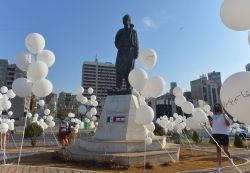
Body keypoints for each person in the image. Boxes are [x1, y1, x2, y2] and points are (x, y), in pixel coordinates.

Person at [115, 14, 139, 90]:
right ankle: (118, 87)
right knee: (119, 70)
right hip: (121, 52)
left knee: (129, 71)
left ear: (129, 21)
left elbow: (136, 43)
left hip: (130, 52)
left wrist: (136, 52)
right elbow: (116, 41)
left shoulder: (133, 32)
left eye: (126, 20)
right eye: (123, 20)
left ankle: (129, 87)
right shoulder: (120, 31)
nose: (124, 21)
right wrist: (120, 47)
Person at [209, 103, 233, 171]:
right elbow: (213, 126)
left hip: (224, 134)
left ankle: (230, 159)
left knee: (226, 151)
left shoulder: (224, 115)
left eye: (218, 107)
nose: (216, 108)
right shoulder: (213, 116)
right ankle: (219, 166)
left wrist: (224, 115)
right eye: (216, 107)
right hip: (216, 134)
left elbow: (228, 124)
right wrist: (210, 121)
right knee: (218, 151)